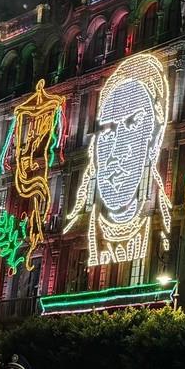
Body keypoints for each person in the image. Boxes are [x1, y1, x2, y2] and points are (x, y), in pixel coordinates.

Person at [65, 53, 172, 265]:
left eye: (133, 125)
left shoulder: (165, 228)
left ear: (155, 135)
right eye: (107, 132)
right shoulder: (76, 232)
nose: (117, 151)